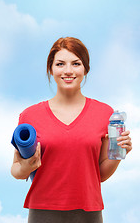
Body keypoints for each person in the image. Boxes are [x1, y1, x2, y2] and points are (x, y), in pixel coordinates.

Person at [11, 37, 132, 223]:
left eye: (76, 63)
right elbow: (16, 170)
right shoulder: (30, 116)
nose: (68, 71)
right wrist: (27, 167)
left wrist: (118, 153)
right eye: (60, 64)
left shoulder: (105, 114)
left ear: (85, 68)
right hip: (43, 213)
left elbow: (99, 175)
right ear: (51, 69)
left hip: (88, 213)